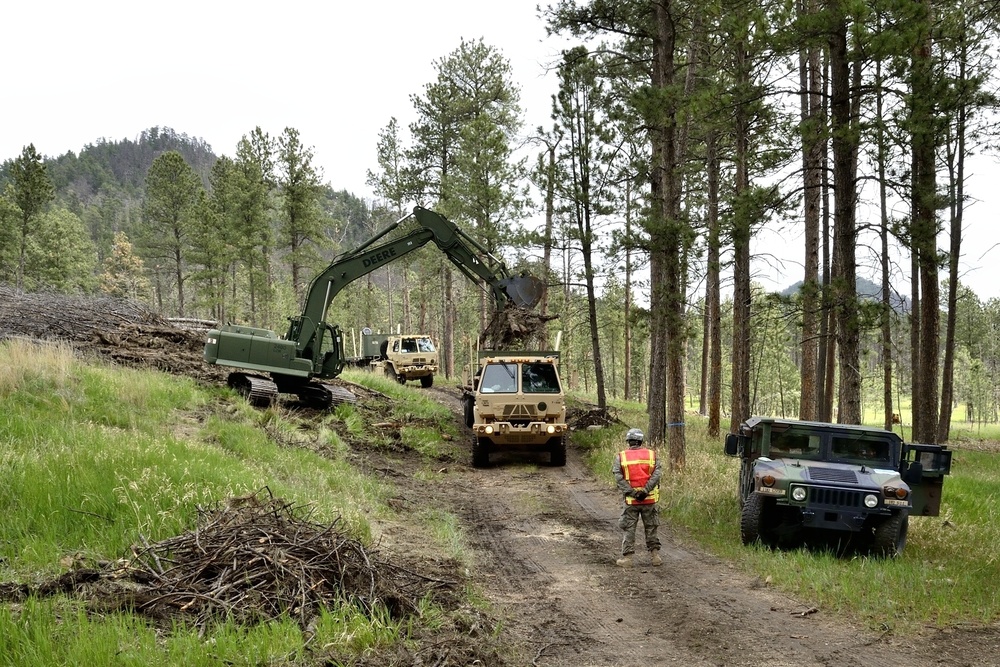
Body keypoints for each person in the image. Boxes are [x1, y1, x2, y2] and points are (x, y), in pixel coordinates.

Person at [612, 427, 663, 568]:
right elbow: (657, 475)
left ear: (628, 441)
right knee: (651, 527)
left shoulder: (621, 457)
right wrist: (645, 491)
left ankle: (627, 559)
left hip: (631, 501)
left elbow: (618, 477)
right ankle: (655, 557)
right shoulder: (652, 455)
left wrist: (633, 493)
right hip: (649, 500)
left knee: (629, 528)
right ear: (641, 441)